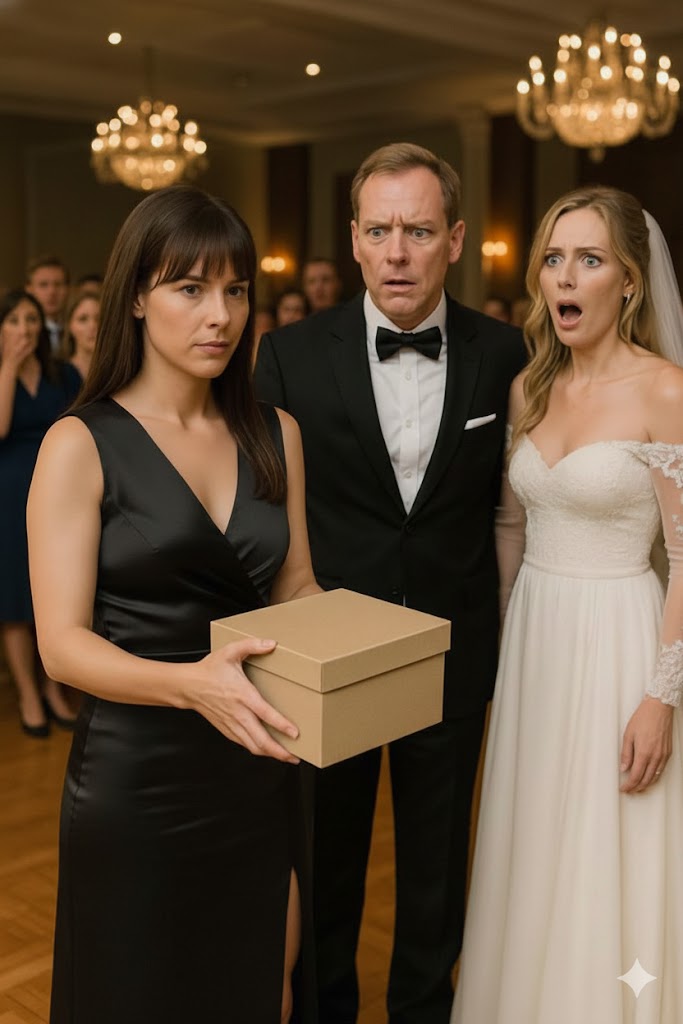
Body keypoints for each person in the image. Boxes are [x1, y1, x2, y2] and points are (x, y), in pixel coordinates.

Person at [26, 186, 320, 1024]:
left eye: (235, 290)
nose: (219, 315)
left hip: (256, 765)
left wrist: (362, 646)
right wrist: (192, 685)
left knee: (257, 987)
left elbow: (296, 586)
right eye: (190, 289)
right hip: (136, 779)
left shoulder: (277, 433)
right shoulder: (79, 443)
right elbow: (61, 647)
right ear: (136, 297)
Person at [255, 142, 525, 1024]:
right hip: (328, 655)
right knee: (324, 863)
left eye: (417, 230)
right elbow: (264, 514)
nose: (397, 252)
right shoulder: (288, 355)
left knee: (438, 871)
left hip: (453, 647)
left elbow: (516, 507)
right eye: (378, 231)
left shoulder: (507, 352)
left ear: (455, 239)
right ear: (354, 240)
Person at [452, 186, 683, 1024]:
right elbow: (512, 527)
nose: (564, 276)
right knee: (535, 844)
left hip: (621, 640)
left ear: (628, 281)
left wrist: (660, 697)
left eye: (588, 259)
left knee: (605, 845)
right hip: (535, 645)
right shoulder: (530, 389)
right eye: (552, 258)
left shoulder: (665, 390)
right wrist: (502, 643)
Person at [0, 289, 79, 737]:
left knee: (53, 592)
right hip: (8, 495)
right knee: (14, 598)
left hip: (56, 490)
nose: (24, 329)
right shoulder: (2, 372)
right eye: (13, 320)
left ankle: (53, 689)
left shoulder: (62, 373)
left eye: (31, 320)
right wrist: (8, 367)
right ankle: (29, 694)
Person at [25, 255, 70, 352]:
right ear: (29, 290)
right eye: (43, 285)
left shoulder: (76, 329)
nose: (52, 292)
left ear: (67, 289)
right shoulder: (23, 332)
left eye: (58, 284)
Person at [59, 290, 100, 383]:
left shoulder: (119, 372)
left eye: (99, 318)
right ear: (69, 326)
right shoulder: (57, 375)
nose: (93, 326)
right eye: (83, 319)